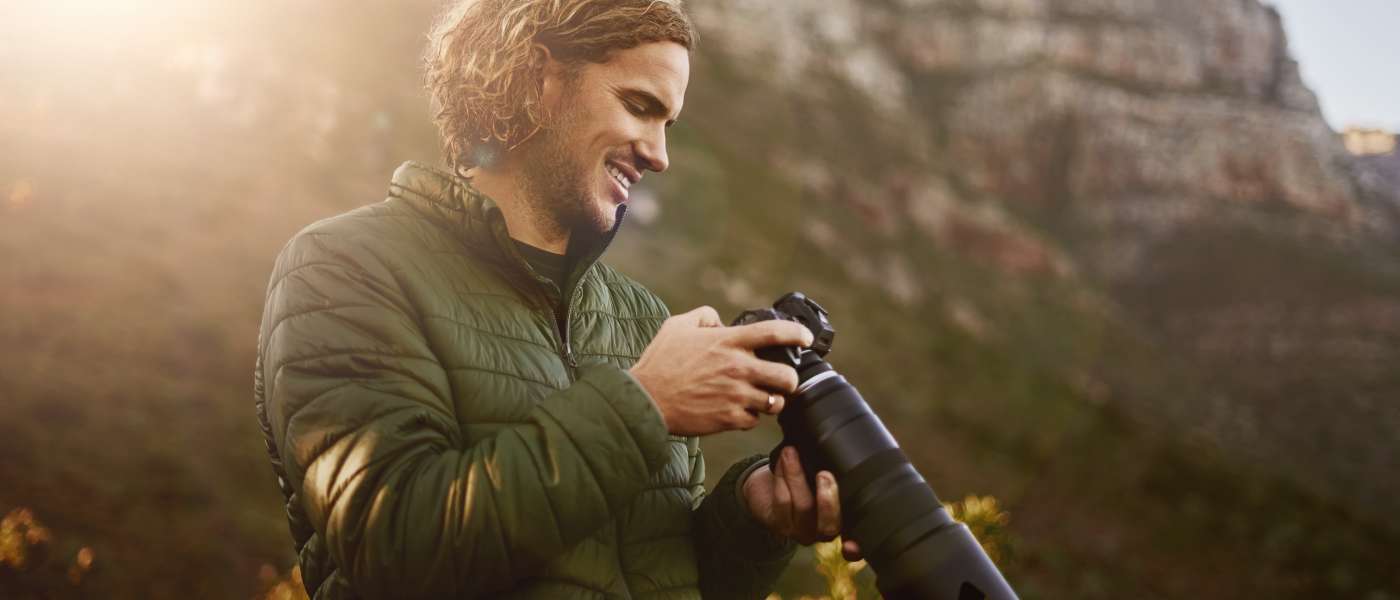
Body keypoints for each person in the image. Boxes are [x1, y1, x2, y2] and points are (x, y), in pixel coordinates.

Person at [254, 1, 857, 598]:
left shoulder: (641, 319)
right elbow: (394, 549)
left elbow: (660, 574)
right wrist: (646, 404)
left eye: (668, 125)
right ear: (538, 79)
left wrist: (755, 521)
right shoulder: (344, 267)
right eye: (639, 107)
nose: (659, 154)